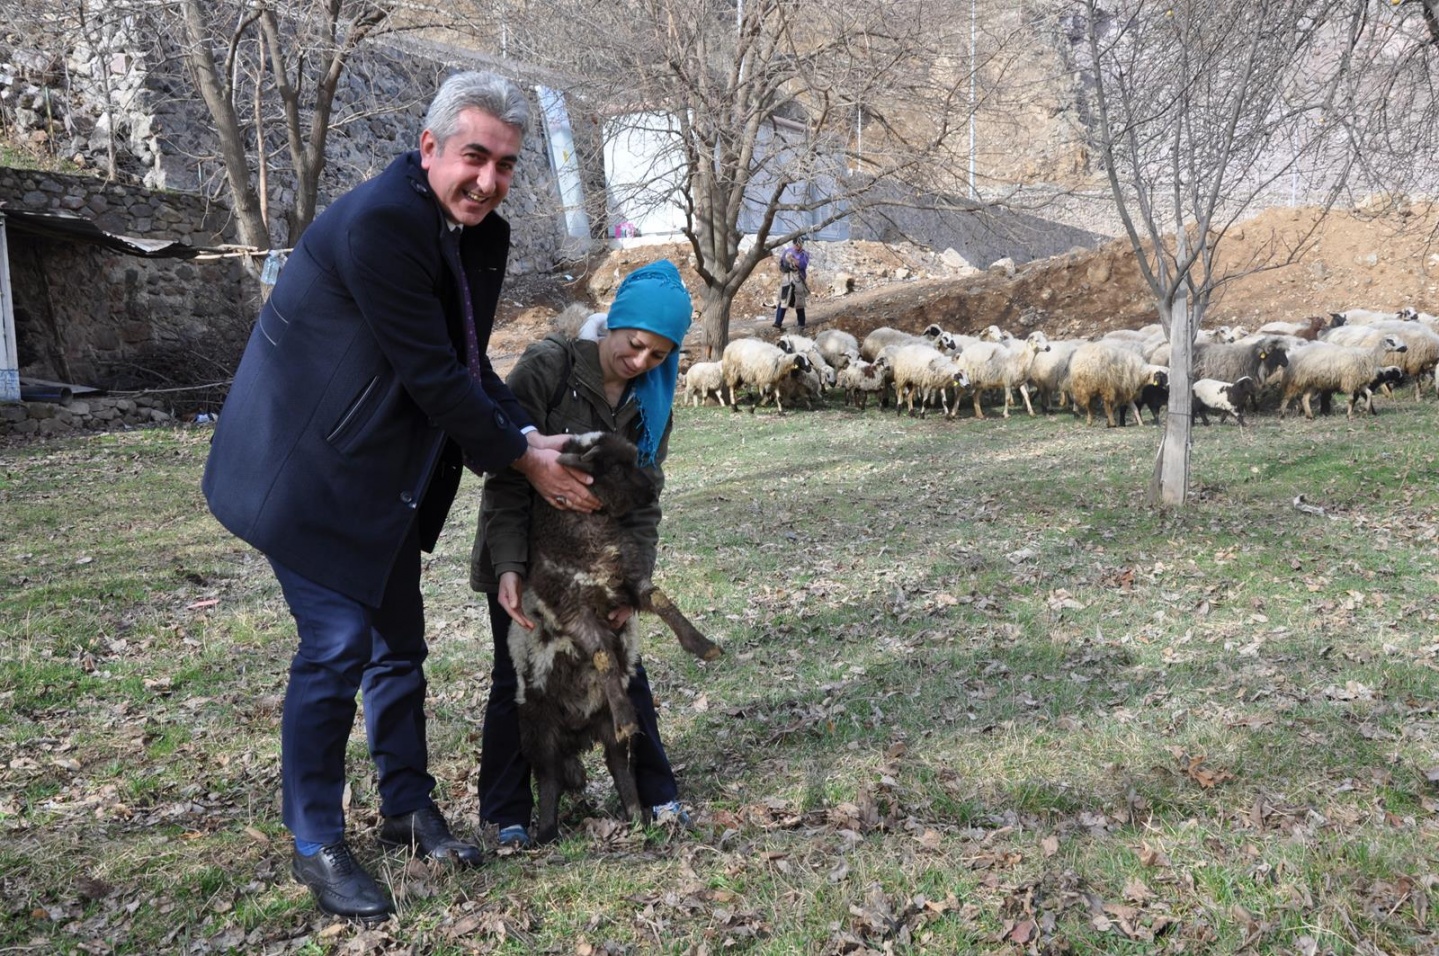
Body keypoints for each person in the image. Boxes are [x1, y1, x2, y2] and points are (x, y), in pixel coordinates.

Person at [201, 71, 595, 923]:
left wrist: (522, 435)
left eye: (505, 165)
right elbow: (429, 379)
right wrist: (520, 461)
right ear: (429, 149)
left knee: (398, 648)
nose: (488, 180)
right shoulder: (383, 225)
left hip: (380, 477)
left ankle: (407, 809)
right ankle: (315, 839)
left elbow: (460, 364)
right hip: (302, 473)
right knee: (338, 646)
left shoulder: (465, 234)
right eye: (472, 157)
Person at [470, 259, 694, 848]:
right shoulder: (550, 366)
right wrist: (510, 567)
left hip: (601, 568)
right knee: (518, 680)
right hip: (533, 562)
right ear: (616, 322)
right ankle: (506, 811)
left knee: (623, 672)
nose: (642, 362)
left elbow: (646, 500)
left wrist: (634, 580)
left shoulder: (652, 399)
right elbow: (504, 472)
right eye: (637, 344)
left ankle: (656, 796)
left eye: (659, 355)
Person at [773, 236, 810, 329]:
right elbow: (781, 263)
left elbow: (802, 265)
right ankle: (778, 322)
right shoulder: (788, 251)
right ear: (793, 244)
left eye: (799, 245)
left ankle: (801, 323)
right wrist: (784, 267)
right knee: (783, 300)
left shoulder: (804, 254)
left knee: (799, 302)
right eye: (796, 244)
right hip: (788, 278)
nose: (797, 246)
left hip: (798, 279)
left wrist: (793, 259)